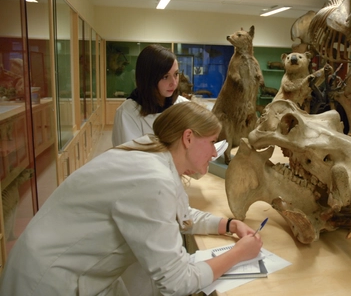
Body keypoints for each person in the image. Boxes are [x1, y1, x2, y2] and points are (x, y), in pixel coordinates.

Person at [0, 102, 263, 296]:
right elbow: (175, 281)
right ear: (188, 137)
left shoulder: (152, 153)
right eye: (212, 141)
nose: (214, 151)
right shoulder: (152, 179)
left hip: (49, 262)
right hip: (48, 281)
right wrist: (238, 253)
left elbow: (175, 211)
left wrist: (227, 225)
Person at [112, 44, 189, 147]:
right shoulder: (127, 113)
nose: (174, 83)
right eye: (165, 76)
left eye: (176, 74)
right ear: (148, 78)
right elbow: (129, 159)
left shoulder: (183, 106)